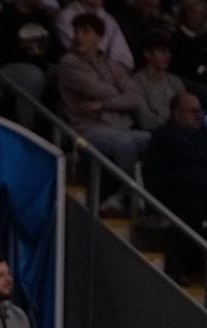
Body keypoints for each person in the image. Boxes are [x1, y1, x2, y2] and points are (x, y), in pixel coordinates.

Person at [143, 91, 207, 274]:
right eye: (192, 111)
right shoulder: (164, 136)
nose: (199, 115)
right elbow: (192, 159)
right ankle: (186, 268)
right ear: (176, 113)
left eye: (200, 111)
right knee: (190, 207)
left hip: (206, 191)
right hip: (170, 193)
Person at [58, 13, 149, 210]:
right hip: (87, 129)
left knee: (154, 139)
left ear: (99, 37)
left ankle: (150, 198)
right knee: (124, 143)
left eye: (85, 32)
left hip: (120, 125)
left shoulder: (111, 64)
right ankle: (124, 196)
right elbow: (97, 89)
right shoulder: (69, 63)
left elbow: (135, 98)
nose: (78, 37)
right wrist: (118, 93)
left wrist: (103, 104)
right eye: (76, 31)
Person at [0, 0, 60, 129]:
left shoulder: (43, 17)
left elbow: (56, 49)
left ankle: (65, 132)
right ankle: (26, 128)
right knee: (33, 75)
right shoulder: (5, 17)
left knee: (66, 73)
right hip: (11, 67)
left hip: (42, 66)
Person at [169, 0, 207, 104]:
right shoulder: (175, 37)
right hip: (186, 77)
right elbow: (180, 66)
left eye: (202, 14)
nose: (197, 17)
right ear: (184, 14)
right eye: (193, 13)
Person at [55, 0, 134, 70]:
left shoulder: (108, 19)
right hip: (81, 73)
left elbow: (127, 61)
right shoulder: (66, 17)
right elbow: (85, 54)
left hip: (111, 76)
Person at [133, 31, 185, 131]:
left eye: (169, 52)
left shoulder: (174, 80)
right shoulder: (138, 81)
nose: (167, 56)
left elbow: (186, 108)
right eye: (162, 51)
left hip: (180, 129)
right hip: (157, 132)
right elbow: (145, 120)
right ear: (147, 54)